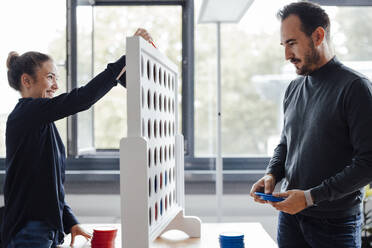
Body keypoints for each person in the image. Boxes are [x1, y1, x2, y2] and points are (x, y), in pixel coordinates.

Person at [2, 28, 153, 248]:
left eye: (57, 78)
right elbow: (81, 99)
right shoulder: (26, 114)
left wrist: (70, 221)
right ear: (26, 81)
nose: (56, 85)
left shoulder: (40, 123)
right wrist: (125, 59)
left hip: (45, 229)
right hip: (30, 233)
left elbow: (46, 185)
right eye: (50, 77)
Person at [249, 2, 372, 248]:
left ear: (318, 36)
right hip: (291, 218)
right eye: (284, 45)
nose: (286, 55)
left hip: (335, 226)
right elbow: (286, 143)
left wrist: (309, 197)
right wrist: (272, 174)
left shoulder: (356, 88)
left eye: (292, 43)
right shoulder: (293, 88)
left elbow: (368, 163)